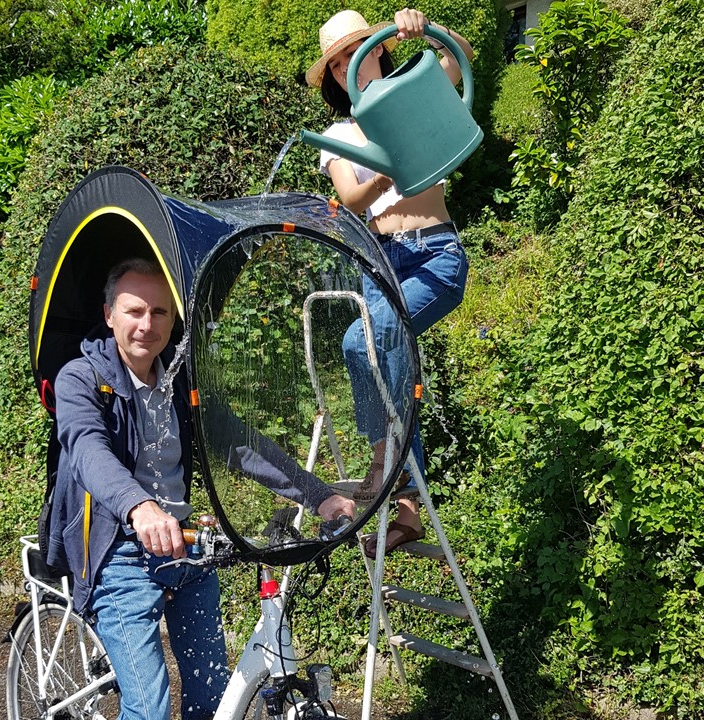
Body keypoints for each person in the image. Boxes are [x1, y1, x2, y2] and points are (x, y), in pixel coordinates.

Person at [48, 257, 355, 720]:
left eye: (160, 313)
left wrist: (319, 495)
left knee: (211, 693)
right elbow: (89, 451)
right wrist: (140, 508)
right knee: (149, 708)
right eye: (134, 311)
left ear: (174, 319)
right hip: (116, 551)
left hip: (186, 545)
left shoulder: (178, 378)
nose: (146, 325)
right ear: (109, 314)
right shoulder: (81, 378)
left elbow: (236, 443)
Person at [305, 8, 473, 558]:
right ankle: (406, 507)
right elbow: (351, 198)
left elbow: (460, 60)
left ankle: (387, 464)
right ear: (331, 75)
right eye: (334, 63)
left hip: (433, 255)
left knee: (361, 342)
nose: (343, 66)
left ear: (376, 48)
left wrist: (424, 29)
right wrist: (390, 162)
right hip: (380, 261)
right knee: (389, 367)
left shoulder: (410, 90)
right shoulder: (341, 133)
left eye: (353, 51)